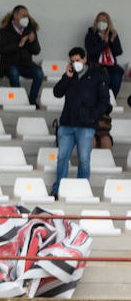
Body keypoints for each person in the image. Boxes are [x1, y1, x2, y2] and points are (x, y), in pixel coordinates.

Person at [52, 47, 111, 197]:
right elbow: (57, 92)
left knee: (84, 159)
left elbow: (105, 102)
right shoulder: (70, 76)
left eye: (77, 60)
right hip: (67, 124)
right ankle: (58, 189)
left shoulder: (97, 76)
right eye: (72, 61)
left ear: (84, 59)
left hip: (86, 126)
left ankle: (82, 190)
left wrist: (93, 116)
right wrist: (67, 76)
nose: (75, 63)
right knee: (61, 157)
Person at [0, 5, 42, 105]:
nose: (26, 18)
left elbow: (36, 51)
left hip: (27, 64)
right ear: (15, 16)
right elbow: (1, 49)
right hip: (9, 64)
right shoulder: (4, 31)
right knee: (13, 72)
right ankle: (19, 99)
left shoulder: (30, 30)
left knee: (39, 73)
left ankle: (32, 100)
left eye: (27, 15)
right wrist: (19, 45)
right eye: (23, 15)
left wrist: (33, 41)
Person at [84, 12, 123, 97]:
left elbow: (118, 52)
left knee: (117, 75)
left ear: (108, 23)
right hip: (95, 65)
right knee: (103, 77)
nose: (102, 23)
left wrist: (112, 40)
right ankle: (102, 101)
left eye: (104, 21)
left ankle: (112, 99)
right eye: (100, 20)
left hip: (111, 65)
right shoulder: (91, 35)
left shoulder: (112, 34)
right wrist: (104, 42)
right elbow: (91, 51)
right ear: (96, 22)